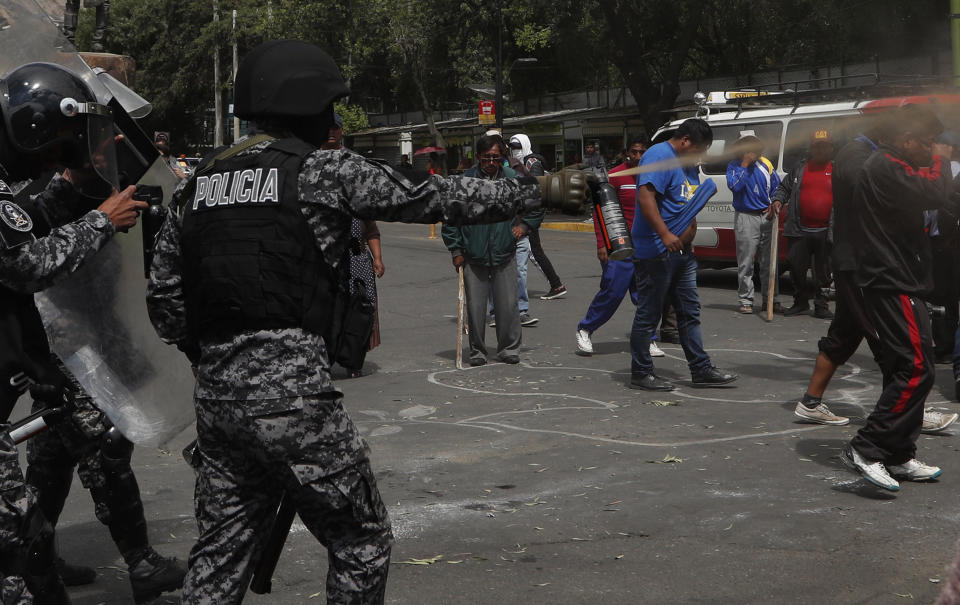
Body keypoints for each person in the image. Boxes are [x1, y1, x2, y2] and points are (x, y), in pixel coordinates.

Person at [146, 40, 585, 603]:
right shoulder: (319, 170)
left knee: (219, 555)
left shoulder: (196, 183)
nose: (333, 122)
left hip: (216, 405)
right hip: (294, 400)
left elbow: (164, 301)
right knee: (361, 540)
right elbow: (429, 194)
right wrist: (537, 188)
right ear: (309, 107)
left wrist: (218, 358)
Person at [0, 62, 186, 604]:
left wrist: (79, 191)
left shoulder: (13, 186)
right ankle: (131, 563)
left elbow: (27, 222)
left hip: (40, 354)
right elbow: (25, 262)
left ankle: (52, 559)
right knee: (91, 450)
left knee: (56, 461)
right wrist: (102, 219)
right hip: (54, 345)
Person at [791, 119, 958, 432]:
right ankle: (908, 414)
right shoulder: (860, 156)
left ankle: (810, 402)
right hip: (860, 262)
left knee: (845, 334)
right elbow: (880, 190)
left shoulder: (873, 155)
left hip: (863, 261)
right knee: (891, 343)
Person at [839, 106, 956, 491]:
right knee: (916, 365)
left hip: (902, 279)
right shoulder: (885, 164)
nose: (931, 150)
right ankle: (868, 446)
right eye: (926, 143)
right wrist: (942, 161)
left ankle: (898, 452)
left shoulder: (895, 163)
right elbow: (935, 192)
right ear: (906, 140)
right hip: (890, 280)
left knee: (908, 367)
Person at [629, 119, 737, 391]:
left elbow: (685, 200)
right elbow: (646, 197)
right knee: (649, 314)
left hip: (682, 253)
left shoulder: (688, 164)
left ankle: (700, 369)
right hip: (656, 251)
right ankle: (641, 372)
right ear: (686, 141)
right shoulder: (659, 155)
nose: (700, 156)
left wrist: (688, 232)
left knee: (689, 311)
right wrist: (666, 234)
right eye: (699, 149)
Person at [443, 134, 543, 364]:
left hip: (504, 250)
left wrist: (524, 226)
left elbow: (537, 204)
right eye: (487, 158)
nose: (491, 162)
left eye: (496, 158)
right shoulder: (464, 182)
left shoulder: (513, 179)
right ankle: (477, 350)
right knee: (476, 308)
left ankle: (509, 348)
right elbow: (450, 218)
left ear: (503, 158)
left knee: (508, 304)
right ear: (478, 157)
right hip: (472, 253)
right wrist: (456, 250)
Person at [577, 136, 666, 357]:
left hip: (646, 245)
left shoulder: (653, 174)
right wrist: (601, 244)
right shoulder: (616, 176)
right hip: (619, 243)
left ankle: (649, 338)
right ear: (627, 152)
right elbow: (600, 213)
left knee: (644, 296)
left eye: (642, 152)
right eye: (634, 152)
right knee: (612, 291)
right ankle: (585, 329)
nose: (638, 156)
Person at [771, 129, 835, 319]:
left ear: (831, 148)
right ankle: (800, 303)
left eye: (824, 146)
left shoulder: (837, 169)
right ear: (812, 148)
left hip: (826, 230)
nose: (821, 150)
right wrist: (778, 200)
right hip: (799, 229)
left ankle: (821, 305)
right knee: (796, 267)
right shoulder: (800, 168)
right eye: (817, 146)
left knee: (824, 272)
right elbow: (784, 187)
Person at [726, 131, 782, 314]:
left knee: (769, 262)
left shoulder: (766, 164)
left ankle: (770, 299)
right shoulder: (734, 166)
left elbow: (776, 188)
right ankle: (746, 300)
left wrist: (774, 203)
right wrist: (745, 164)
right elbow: (735, 186)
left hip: (766, 216)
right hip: (745, 216)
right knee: (746, 262)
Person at [508, 133, 567, 301]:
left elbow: (534, 192)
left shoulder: (531, 163)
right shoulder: (522, 163)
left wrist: (528, 218)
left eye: (517, 147)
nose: (515, 151)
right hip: (525, 213)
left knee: (534, 251)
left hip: (530, 214)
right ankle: (555, 284)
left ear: (525, 146)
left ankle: (556, 284)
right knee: (532, 252)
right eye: (512, 148)